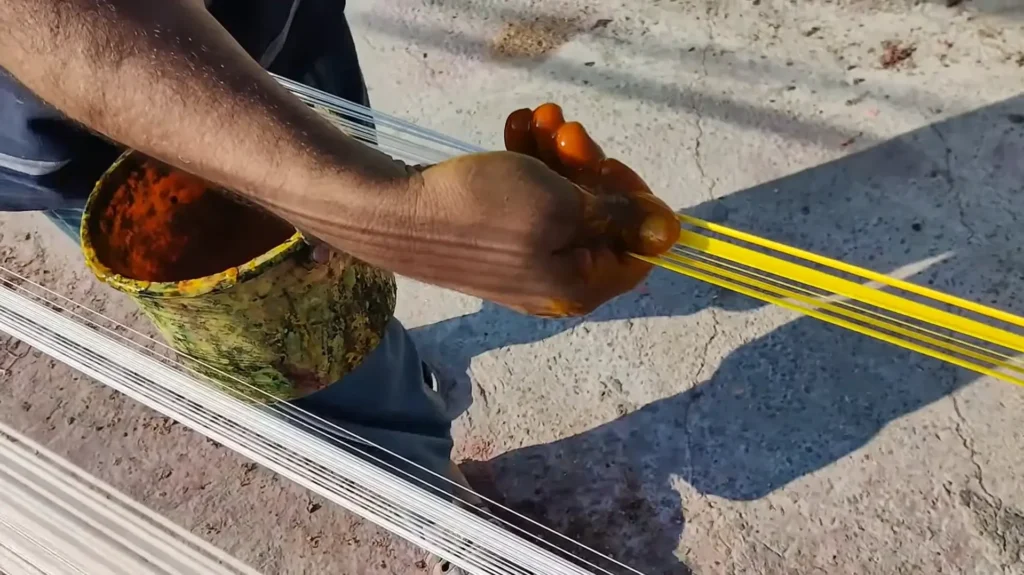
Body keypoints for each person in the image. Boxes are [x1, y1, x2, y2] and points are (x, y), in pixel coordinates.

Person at [0, 1, 678, 572]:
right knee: (327, 359)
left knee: (348, 305)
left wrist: (393, 210)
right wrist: (391, 212)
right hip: (74, 125)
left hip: (284, 32)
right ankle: (435, 494)